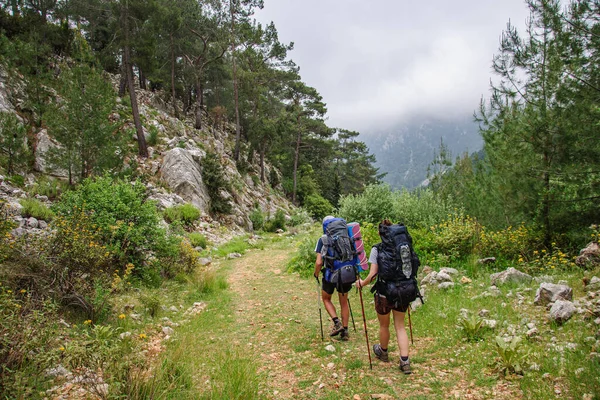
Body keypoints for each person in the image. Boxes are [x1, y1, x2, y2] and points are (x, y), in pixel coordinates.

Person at [355, 219, 418, 374]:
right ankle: (405, 361)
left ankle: (383, 352)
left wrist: (361, 283)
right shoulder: (404, 247)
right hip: (404, 290)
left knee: (384, 325)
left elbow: (373, 274)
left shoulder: (377, 249)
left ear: (380, 233)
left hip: (384, 292)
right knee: (400, 326)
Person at [313, 215, 352, 341]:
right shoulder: (347, 236)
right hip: (346, 273)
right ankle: (345, 331)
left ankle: (337, 323)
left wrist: (316, 274)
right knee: (344, 302)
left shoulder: (323, 239)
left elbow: (319, 262)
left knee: (326, 299)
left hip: (330, 274)